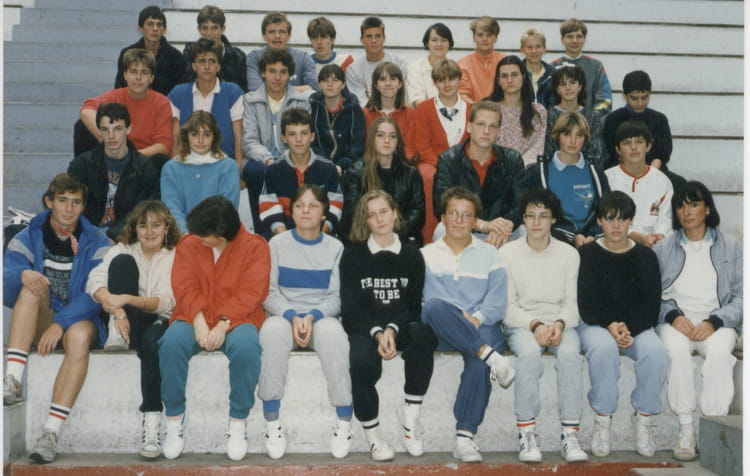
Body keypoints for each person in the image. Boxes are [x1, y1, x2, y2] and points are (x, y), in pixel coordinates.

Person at [3, 173, 112, 464]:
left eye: (76, 202)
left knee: (78, 336)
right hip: (43, 317)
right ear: (49, 201)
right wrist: (22, 273)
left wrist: (60, 323)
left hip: (80, 321)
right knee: (30, 287)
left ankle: (50, 433)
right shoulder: (28, 235)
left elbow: (96, 294)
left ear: (83, 206)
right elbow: (5, 278)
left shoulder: (98, 241)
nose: (68, 208)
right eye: (62, 200)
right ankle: (12, 379)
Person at [159, 195, 270, 461]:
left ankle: (238, 422)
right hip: (193, 313)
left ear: (222, 235)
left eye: (205, 236)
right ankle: (174, 419)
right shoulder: (189, 243)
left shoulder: (256, 247)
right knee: (170, 344)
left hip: (239, 318)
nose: (199, 239)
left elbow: (252, 292)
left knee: (246, 347)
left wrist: (223, 324)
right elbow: (184, 285)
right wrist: (198, 320)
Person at [420, 186, 515, 463]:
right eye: (453, 214)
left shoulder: (491, 255)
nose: (459, 220)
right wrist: (463, 317)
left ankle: (464, 436)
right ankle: (490, 355)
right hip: (442, 328)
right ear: (443, 218)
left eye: (466, 215)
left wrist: (478, 318)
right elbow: (433, 298)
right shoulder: (426, 255)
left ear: (475, 221)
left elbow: (496, 303)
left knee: (482, 351)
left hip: (479, 324)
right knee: (433, 307)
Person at [258, 185, 353, 459]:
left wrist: (312, 316)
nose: (306, 211)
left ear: (324, 213)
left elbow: (337, 297)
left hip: (320, 317)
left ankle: (344, 421)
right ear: (291, 212)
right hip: (284, 315)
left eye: (313, 206)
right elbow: (269, 294)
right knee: (271, 332)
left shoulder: (336, 248)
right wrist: (291, 316)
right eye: (299, 206)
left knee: (335, 336)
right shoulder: (277, 244)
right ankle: (272, 423)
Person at [341, 189, 437, 460]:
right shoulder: (353, 254)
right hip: (365, 327)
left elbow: (413, 306)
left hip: (400, 324)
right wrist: (377, 332)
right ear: (365, 221)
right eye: (372, 215)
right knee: (360, 361)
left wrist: (392, 329)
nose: (380, 219)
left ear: (395, 213)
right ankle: (373, 437)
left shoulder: (412, 255)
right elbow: (350, 309)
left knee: (423, 335)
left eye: (384, 211)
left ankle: (410, 419)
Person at [654, 181, 742, 461]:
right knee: (676, 352)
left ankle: (714, 428)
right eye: (681, 206)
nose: (687, 212)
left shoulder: (731, 246)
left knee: (719, 354)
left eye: (694, 205)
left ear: (707, 209)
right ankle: (686, 429)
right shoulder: (664, 248)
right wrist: (672, 315)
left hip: (716, 321)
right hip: (676, 321)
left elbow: (742, 296)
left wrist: (715, 321)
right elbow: (651, 295)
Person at [86, 200, 180, 458]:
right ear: (134, 228)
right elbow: (95, 281)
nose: (149, 232)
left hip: (159, 317)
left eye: (156, 225)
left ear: (167, 227)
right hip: (126, 318)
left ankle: (151, 424)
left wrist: (125, 299)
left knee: (152, 344)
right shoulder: (123, 248)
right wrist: (117, 309)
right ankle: (117, 332)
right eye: (142, 225)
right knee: (122, 262)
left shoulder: (175, 254)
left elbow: (165, 302)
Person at [577, 191, 668, 458]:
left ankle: (644, 418)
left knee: (656, 351)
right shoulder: (587, 254)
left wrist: (630, 329)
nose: (616, 226)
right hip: (595, 323)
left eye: (622, 219)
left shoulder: (646, 256)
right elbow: (586, 301)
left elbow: (651, 304)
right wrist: (610, 324)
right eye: (609, 219)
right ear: (599, 222)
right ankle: (602, 419)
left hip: (635, 327)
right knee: (604, 349)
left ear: (631, 221)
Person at [499, 189, 586, 463]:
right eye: (530, 216)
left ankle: (570, 434)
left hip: (561, 322)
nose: (536, 222)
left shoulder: (569, 254)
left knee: (570, 355)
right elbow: (507, 307)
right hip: (522, 323)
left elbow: (573, 304)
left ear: (553, 219)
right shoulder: (507, 253)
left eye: (543, 216)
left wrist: (559, 324)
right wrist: (534, 325)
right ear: (523, 218)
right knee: (528, 354)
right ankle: (526, 433)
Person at [433, 100, 526, 248]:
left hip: (500, 233)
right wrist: (480, 224)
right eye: (481, 124)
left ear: (499, 131)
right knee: (441, 229)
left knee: (524, 232)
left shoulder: (512, 160)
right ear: (469, 127)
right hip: (464, 227)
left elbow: (520, 204)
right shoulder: (449, 159)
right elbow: (442, 205)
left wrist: (506, 224)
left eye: (492, 126)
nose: (486, 131)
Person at [241, 47, 311, 234]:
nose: (277, 77)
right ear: (263, 73)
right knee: (255, 171)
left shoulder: (301, 100)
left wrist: (284, 160)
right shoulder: (250, 100)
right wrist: (268, 160)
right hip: (262, 160)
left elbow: (303, 137)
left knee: (293, 169)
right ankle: (262, 232)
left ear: (290, 75)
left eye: (283, 72)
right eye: (272, 71)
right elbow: (249, 141)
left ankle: (293, 229)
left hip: (293, 156)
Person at [68, 103, 160, 241]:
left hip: (127, 237)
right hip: (87, 234)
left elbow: (142, 211)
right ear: (99, 131)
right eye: (105, 129)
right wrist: (93, 236)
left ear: (128, 129)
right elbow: (73, 205)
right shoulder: (82, 165)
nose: (111, 136)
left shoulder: (145, 168)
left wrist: (114, 236)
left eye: (117, 129)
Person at [528, 111, 609, 247]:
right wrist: (572, 237)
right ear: (557, 136)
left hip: (591, 241)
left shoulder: (595, 171)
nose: (573, 141)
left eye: (579, 135)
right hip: (553, 242)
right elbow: (534, 215)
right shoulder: (539, 172)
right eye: (567, 134)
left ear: (585, 138)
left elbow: (606, 210)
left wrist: (592, 236)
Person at [78, 49, 172, 166]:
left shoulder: (161, 102)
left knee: (160, 159)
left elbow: (163, 146)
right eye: (133, 71)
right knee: (81, 126)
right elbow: (86, 111)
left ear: (151, 78)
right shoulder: (115, 96)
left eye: (144, 72)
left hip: (143, 160)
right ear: (125, 75)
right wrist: (104, 138)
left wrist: (131, 155)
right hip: (113, 153)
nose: (138, 77)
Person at [259, 108, 343, 236]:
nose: (298, 139)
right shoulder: (273, 170)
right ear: (284, 138)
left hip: (320, 234)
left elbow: (335, 207)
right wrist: (286, 238)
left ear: (312, 136)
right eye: (292, 134)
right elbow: (269, 207)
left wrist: (320, 234)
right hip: (284, 235)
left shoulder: (328, 169)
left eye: (304, 133)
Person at [341, 117, 425, 244]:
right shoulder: (356, 173)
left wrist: (391, 235)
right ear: (372, 139)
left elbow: (417, 215)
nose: (387, 140)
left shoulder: (411, 173)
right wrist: (378, 235)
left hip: (402, 238)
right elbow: (353, 216)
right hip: (366, 239)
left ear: (398, 141)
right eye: (380, 135)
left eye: (392, 136)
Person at [168, 38, 244, 174]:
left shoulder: (233, 92)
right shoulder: (178, 94)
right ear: (194, 66)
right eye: (202, 61)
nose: (207, 66)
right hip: (187, 163)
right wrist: (174, 170)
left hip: (223, 164)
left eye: (212, 61)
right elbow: (176, 139)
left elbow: (239, 137)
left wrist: (238, 172)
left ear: (219, 66)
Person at [414, 59, 469, 243]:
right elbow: (422, 146)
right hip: (432, 163)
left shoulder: (472, 109)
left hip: (464, 163)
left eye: (451, 78)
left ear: (459, 79)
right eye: (441, 80)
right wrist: (444, 166)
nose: (447, 84)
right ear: (434, 82)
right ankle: (429, 238)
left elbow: (474, 144)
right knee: (428, 176)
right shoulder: (424, 108)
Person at [602, 71, 685, 190]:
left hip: (655, 169)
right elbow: (611, 150)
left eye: (644, 97)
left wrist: (652, 170)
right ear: (624, 95)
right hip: (621, 171)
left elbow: (664, 151)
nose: (640, 103)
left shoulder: (659, 119)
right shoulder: (613, 119)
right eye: (634, 98)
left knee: (680, 184)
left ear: (650, 94)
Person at [160, 111, 240, 233]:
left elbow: (227, 209)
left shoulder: (228, 167)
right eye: (194, 134)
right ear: (186, 136)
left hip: (217, 234)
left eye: (206, 135)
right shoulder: (171, 168)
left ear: (214, 137)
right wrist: (188, 234)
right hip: (182, 235)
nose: (200, 140)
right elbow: (171, 209)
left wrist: (208, 236)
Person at [605, 121, 673, 248]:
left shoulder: (662, 181)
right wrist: (639, 238)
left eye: (639, 142)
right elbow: (605, 219)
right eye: (627, 143)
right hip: (616, 246)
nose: (633, 147)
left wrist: (657, 237)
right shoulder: (607, 178)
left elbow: (666, 219)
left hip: (655, 247)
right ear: (618, 149)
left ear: (648, 146)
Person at [485, 55, 546, 167]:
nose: (509, 80)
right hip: (493, 170)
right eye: (504, 76)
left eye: (514, 75)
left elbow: (537, 149)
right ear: (498, 80)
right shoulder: (487, 109)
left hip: (527, 171)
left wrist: (517, 168)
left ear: (523, 77)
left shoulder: (538, 112)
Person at [114, 6, 187, 96]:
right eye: (150, 24)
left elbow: (179, 92)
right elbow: (120, 88)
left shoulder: (176, 57)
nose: (155, 29)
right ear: (140, 28)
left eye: (159, 25)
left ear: (164, 29)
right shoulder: (127, 54)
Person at [543, 64, 604, 166]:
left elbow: (596, 153)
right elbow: (547, 151)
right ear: (557, 89)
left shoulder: (592, 116)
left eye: (572, 82)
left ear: (580, 86)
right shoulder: (547, 115)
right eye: (562, 84)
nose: (568, 88)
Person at [309, 64, 366, 173]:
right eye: (325, 80)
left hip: (348, 166)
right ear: (319, 85)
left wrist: (341, 165)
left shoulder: (354, 109)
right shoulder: (313, 107)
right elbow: (312, 142)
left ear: (343, 84)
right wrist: (325, 164)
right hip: (320, 164)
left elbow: (358, 145)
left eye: (335, 80)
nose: (330, 84)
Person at [550, 18, 612, 113]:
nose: (575, 40)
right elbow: (548, 101)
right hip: (558, 120)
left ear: (584, 39)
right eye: (570, 37)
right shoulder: (552, 67)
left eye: (579, 36)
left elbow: (605, 100)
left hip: (590, 121)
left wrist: (592, 117)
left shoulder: (596, 66)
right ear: (562, 39)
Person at [246, 11, 317, 92]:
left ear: (289, 35)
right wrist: (298, 90)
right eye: (272, 32)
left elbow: (313, 89)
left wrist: (276, 91)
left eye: (282, 32)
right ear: (264, 36)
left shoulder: (303, 58)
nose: (277, 36)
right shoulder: (254, 57)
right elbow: (255, 90)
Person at [182, 5, 247, 92]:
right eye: (205, 28)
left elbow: (243, 91)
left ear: (223, 29)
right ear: (199, 29)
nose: (209, 33)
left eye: (214, 28)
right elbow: (186, 84)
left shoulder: (238, 57)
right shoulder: (190, 53)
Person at [346, 16, 408, 107]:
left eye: (378, 36)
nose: (374, 41)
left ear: (384, 38)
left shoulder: (399, 64)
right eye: (369, 36)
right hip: (369, 114)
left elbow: (403, 96)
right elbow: (361, 103)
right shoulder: (353, 70)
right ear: (361, 39)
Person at [362, 62, 416, 160]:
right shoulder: (365, 113)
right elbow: (364, 147)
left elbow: (411, 148)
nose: (388, 83)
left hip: (401, 164)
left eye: (393, 79)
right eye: (382, 79)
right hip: (372, 164)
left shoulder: (410, 113)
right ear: (376, 85)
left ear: (400, 84)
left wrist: (392, 161)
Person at [457, 16, 505, 104]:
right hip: (472, 111)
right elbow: (463, 95)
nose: (484, 39)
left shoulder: (505, 62)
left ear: (496, 38)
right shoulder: (462, 64)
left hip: (501, 110)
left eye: (489, 35)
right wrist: (481, 110)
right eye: (480, 35)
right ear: (473, 37)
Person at [406, 23, 454, 107]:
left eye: (444, 40)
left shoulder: (455, 69)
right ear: (427, 43)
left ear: (449, 43)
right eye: (434, 40)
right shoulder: (415, 67)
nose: (439, 44)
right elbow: (417, 101)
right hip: (423, 113)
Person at [520, 28, 554, 107]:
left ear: (544, 49)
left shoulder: (553, 74)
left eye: (538, 46)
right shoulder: (516, 73)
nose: (534, 51)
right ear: (522, 50)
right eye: (529, 47)